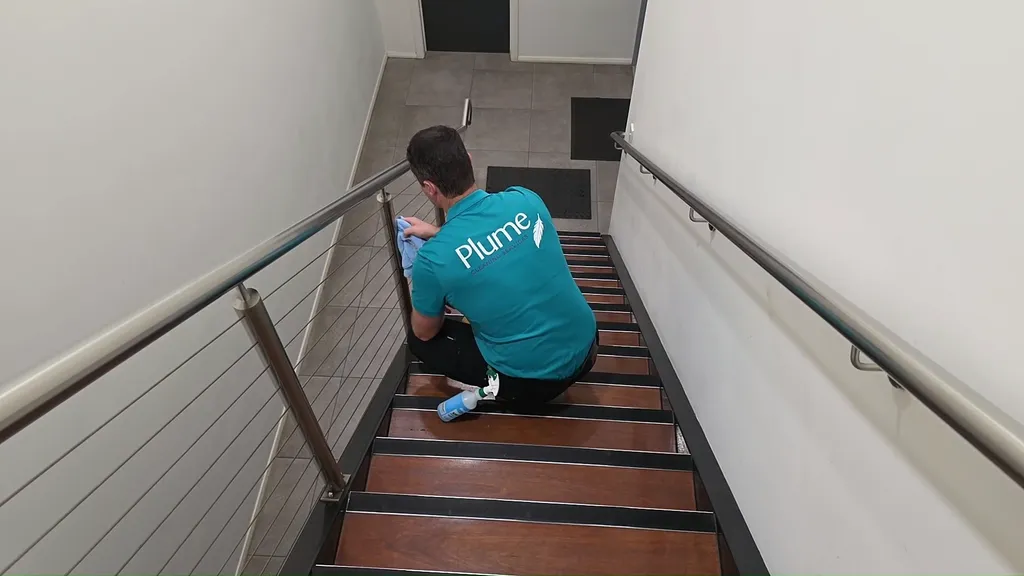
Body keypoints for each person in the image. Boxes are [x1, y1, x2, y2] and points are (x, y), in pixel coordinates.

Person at [400, 125, 598, 414]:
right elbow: (495, 245)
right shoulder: (525, 199)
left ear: (430, 188)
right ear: (469, 160)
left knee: (418, 342)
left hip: (533, 384)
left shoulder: (432, 262)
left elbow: (425, 331)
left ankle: (505, 392)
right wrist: (439, 235)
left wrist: (427, 274)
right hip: (588, 345)